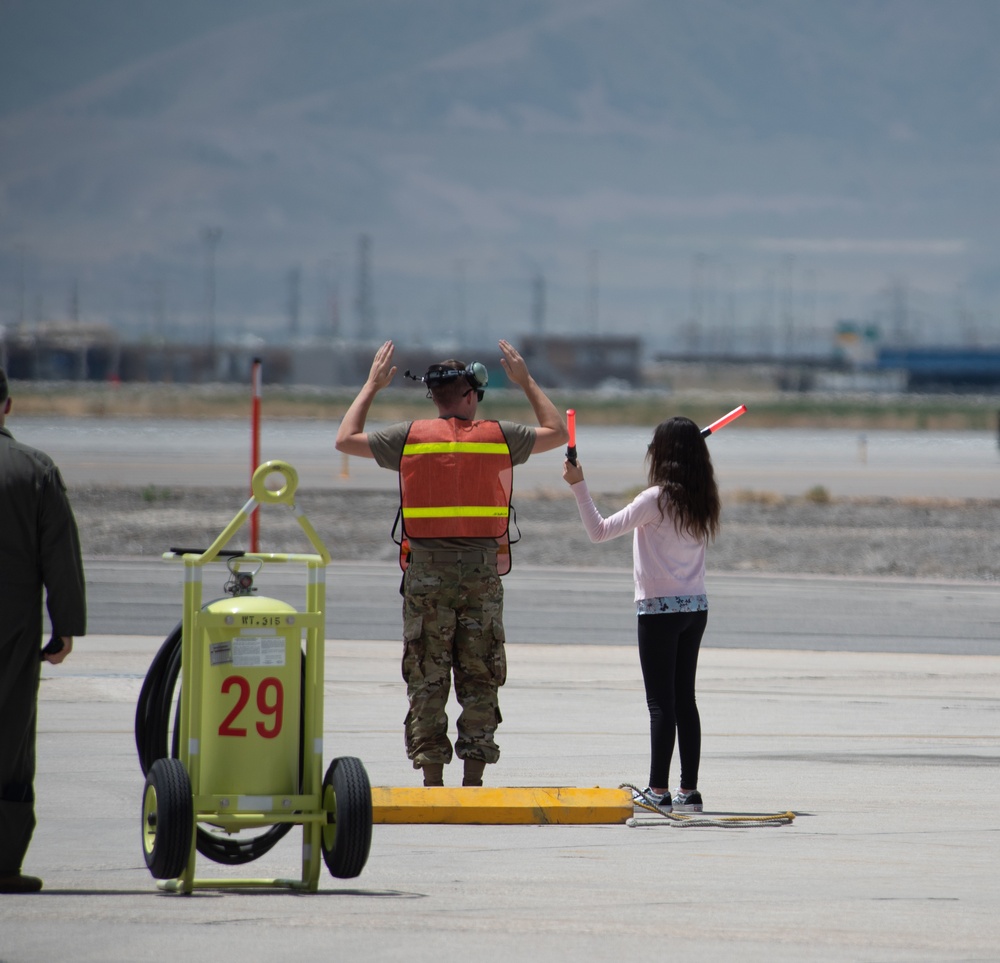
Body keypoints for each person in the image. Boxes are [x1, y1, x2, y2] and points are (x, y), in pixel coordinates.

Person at [336, 340, 567, 787]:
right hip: (481, 574)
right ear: (470, 394)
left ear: (435, 397)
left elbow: (345, 439)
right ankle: (474, 778)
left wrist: (371, 385)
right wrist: (526, 381)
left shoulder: (409, 437)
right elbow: (557, 431)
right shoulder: (499, 437)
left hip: (425, 573)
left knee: (427, 675)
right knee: (479, 674)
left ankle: (432, 780)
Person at [561, 416, 719, 813]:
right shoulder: (702, 498)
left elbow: (598, 531)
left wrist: (578, 485)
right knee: (685, 700)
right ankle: (689, 792)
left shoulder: (654, 499)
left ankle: (659, 791)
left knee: (660, 703)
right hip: (694, 609)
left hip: (658, 612)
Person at [0, 367, 87, 893]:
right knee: (10, 741)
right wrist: (65, 627)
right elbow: (60, 555)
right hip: (12, 629)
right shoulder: (34, 470)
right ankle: (4, 861)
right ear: (8, 406)